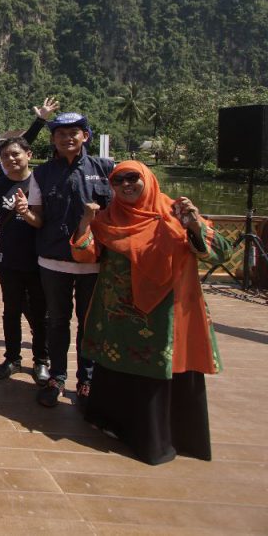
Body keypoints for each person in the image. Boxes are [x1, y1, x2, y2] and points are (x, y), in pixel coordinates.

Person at [72, 162, 227, 465]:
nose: (126, 185)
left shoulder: (177, 212)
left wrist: (195, 225)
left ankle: (159, 438)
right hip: (120, 317)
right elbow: (84, 254)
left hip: (167, 315)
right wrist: (85, 222)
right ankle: (114, 426)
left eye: (133, 178)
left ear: (148, 179)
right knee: (118, 369)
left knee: (160, 370)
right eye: (118, 180)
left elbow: (219, 252)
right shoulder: (108, 218)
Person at [24, 111, 114, 408]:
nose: (67, 138)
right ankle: (57, 377)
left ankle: (87, 380)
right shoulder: (42, 174)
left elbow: (123, 210)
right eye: (60, 134)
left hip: (93, 262)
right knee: (57, 322)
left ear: (85, 136)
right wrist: (24, 212)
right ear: (53, 140)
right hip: (53, 260)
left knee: (89, 323)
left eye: (73, 132)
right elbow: (38, 217)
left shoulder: (106, 169)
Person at [0, 137, 49, 382]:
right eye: (6, 156)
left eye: (15, 154)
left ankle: (41, 360)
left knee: (40, 312)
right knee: (11, 310)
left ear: (29, 154)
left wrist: (25, 212)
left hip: (38, 258)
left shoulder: (41, 182)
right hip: (8, 257)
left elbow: (42, 221)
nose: (11, 159)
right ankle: (12, 358)